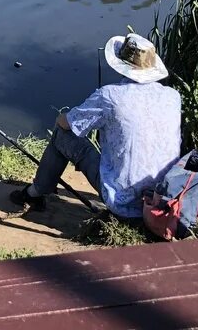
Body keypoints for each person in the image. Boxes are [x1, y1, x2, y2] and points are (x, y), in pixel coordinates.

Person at [10, 33, 181, 219]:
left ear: (122, 64)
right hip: (163, 198)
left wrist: (61, 117)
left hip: (123, 202)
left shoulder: (110, 95)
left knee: (63, 134)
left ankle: (34, 193)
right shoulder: (172, 96)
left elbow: (68, 124)